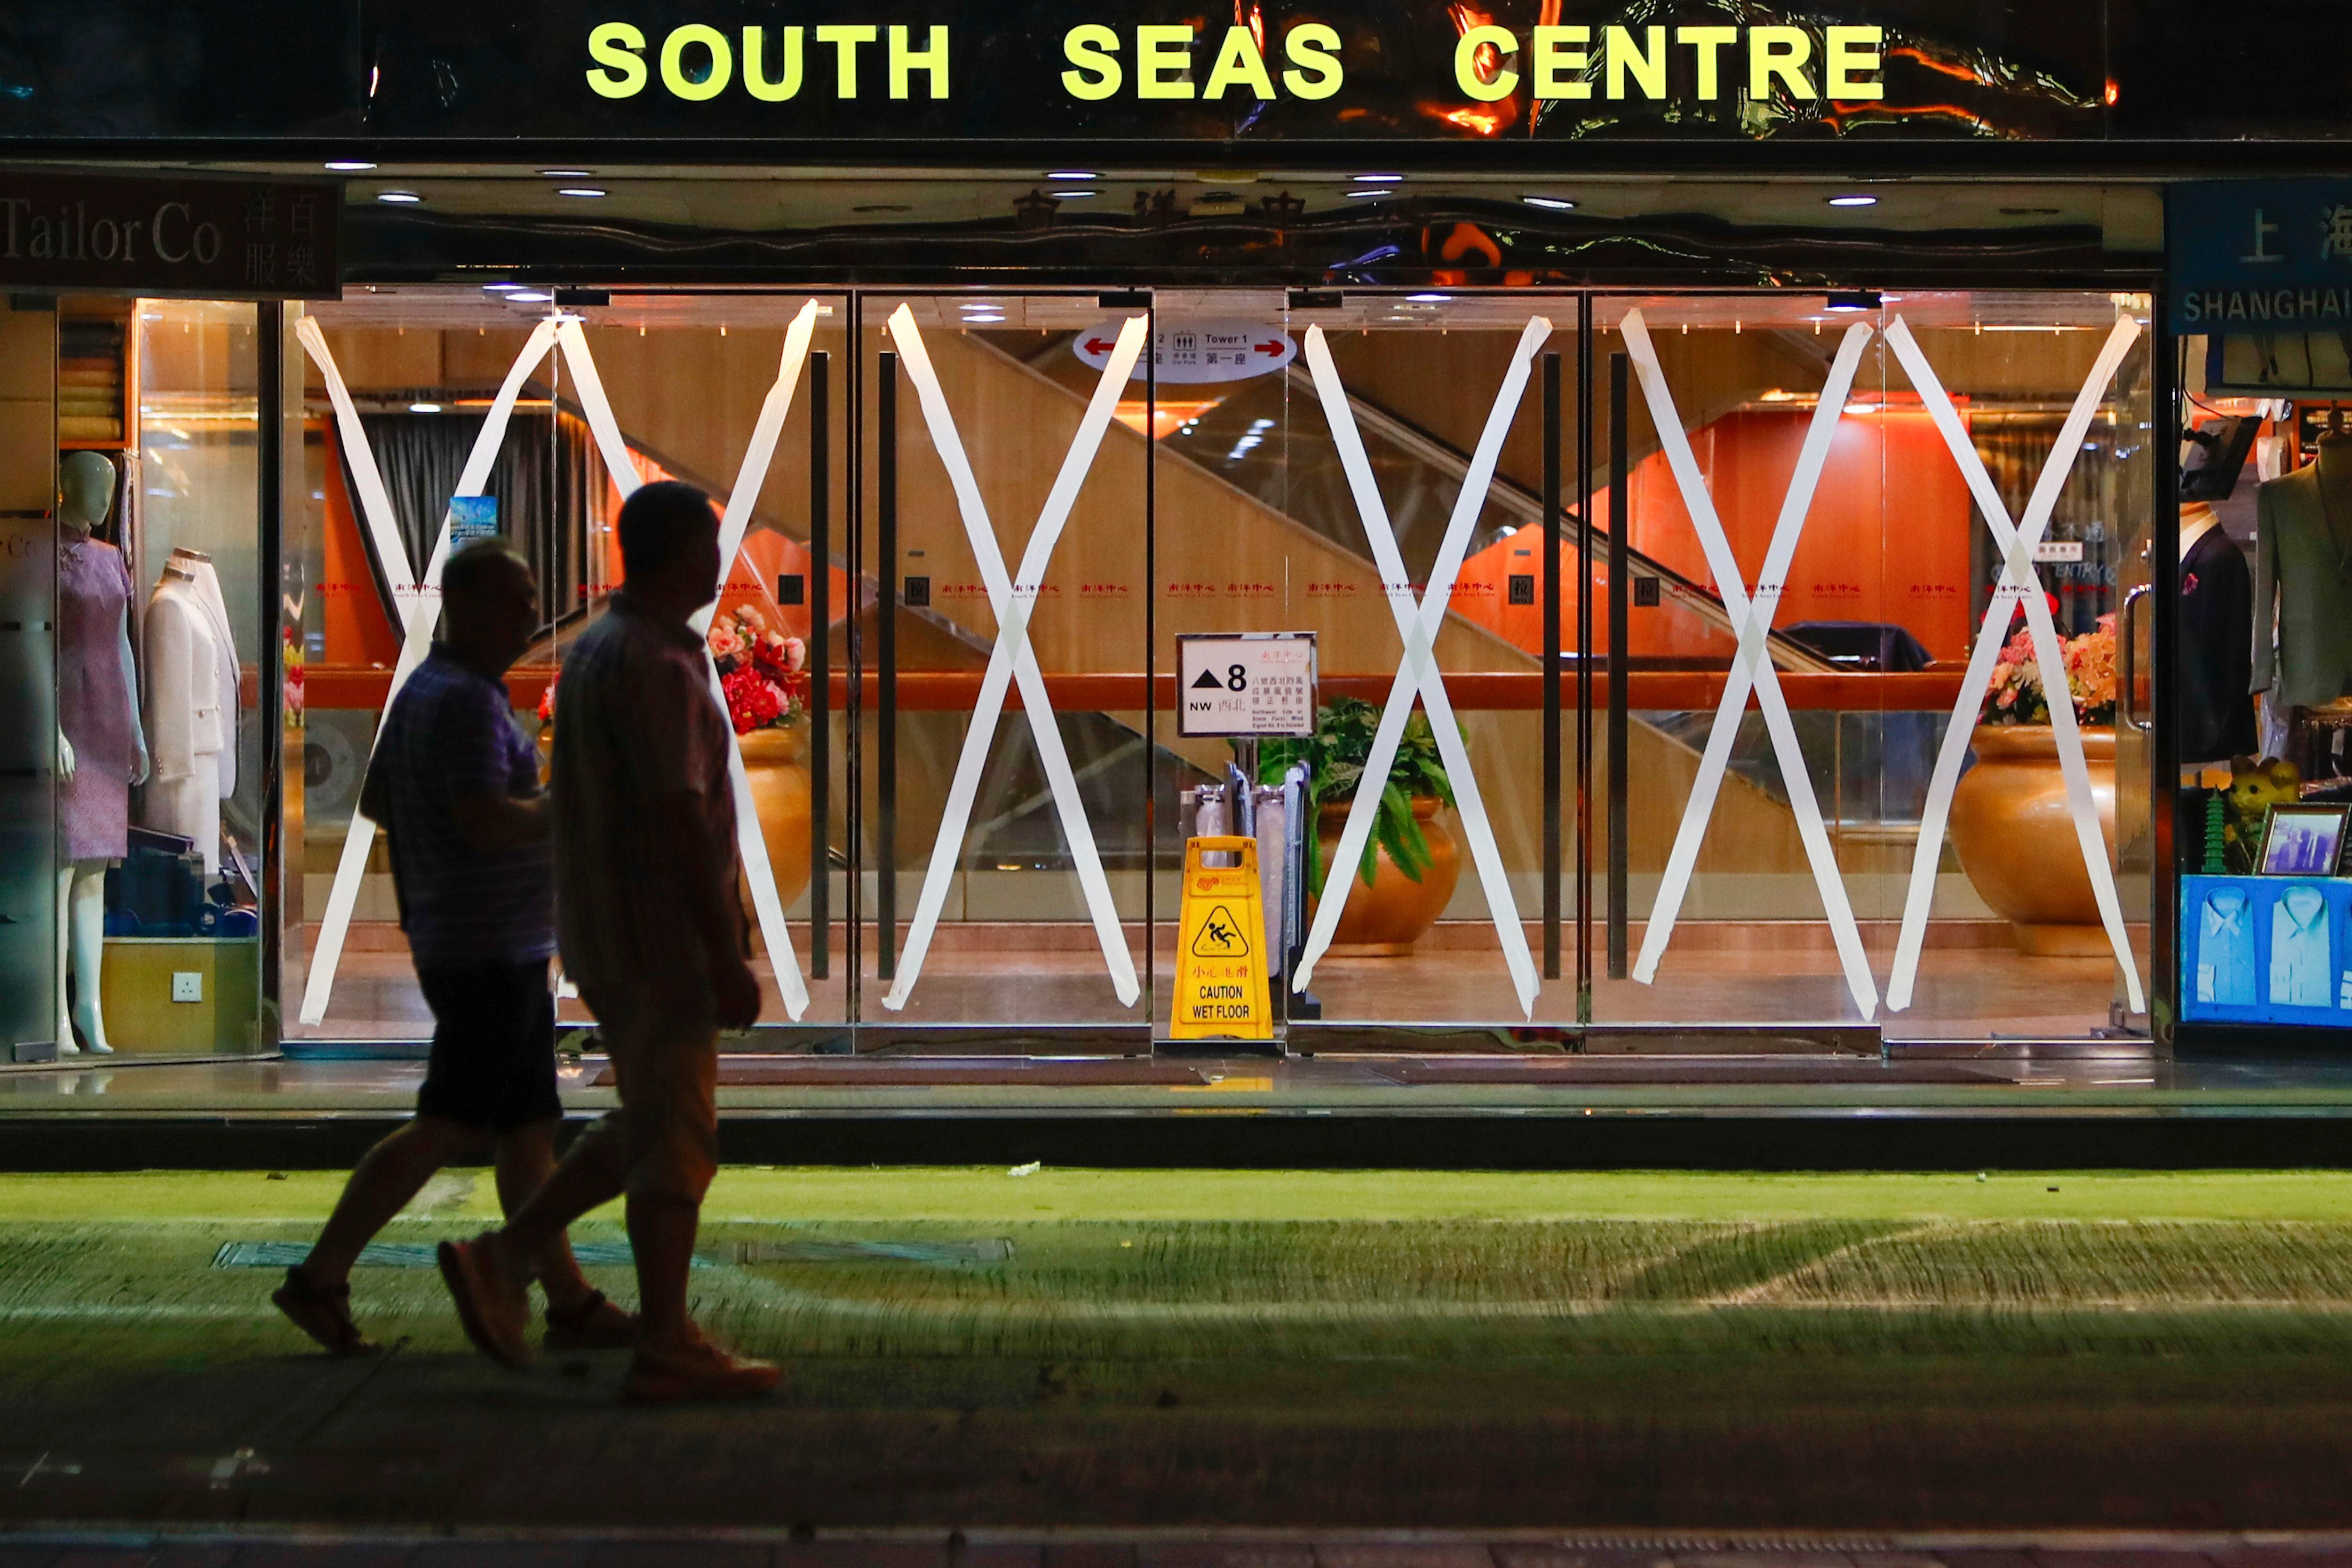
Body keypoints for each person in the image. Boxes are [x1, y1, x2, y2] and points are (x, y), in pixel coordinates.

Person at [436, 480, 776, 1404]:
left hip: (602, 928)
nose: (720, 559)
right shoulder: (657, 664)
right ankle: (659, 1337)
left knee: (645, 1119)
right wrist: (725, 948)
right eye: (711, 544)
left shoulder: (595, 651)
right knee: (677, 1139)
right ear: (683, 553)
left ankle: (504, 1259)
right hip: (659, 937)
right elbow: (675, 814)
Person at [273, 539, 634, 1357]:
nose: (531, 615)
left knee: (527, 1130)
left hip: (472, 937)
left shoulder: (425, 692)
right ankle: (320, 1274)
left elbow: (387, 801)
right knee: (448, 1123)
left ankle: (570, 1300)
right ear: (467, 607)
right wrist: (567, 806)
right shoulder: (467, 703)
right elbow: (483, 818)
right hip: (487, 949)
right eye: (517, 599)